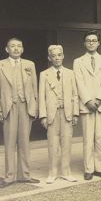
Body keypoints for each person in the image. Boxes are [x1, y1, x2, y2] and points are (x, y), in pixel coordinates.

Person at [0, 37, 40, 188]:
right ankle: (9, 176)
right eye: (12, 46)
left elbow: (34, 88)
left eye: (19, 46)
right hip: (9, 106)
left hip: (26, 106)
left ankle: (25, 175)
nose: (16, 48)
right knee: (10, 142)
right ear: (7, 49)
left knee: (25, 142)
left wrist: (35, 107)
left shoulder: (29, 64)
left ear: (23, 49)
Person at [38, 45, 81, 184]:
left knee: (67, 143)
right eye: (54, 56)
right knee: (52, 143)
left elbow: (75, 94)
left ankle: (66, 172)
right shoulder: (44, 74)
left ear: (63, 56)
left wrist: (75, 113)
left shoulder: (70, 73)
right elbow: (41, 96)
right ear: (49, 58)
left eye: (59, 55)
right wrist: (43, 116)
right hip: (52, 113)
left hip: (67, 112)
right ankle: (52, 173)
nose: (57, 58)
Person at [73, 31, 101, 181]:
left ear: (98, 43)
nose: (91, 43)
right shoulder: (78, 61)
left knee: (100, 138)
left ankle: (100, 168)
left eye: (94, 40)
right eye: (88, 41)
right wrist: (88, 100)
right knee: (88, 138)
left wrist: (99, 99)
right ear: (84, 43)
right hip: (86, 105)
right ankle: (88, 168)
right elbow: (79, 82)